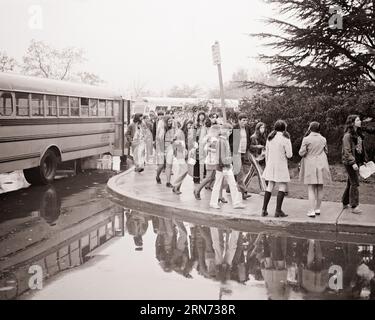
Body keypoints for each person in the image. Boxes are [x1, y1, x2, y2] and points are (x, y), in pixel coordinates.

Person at [299, 122, 332, 218]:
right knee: (320, 187)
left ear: (310, 128)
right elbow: (326, 151)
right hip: (322, 163)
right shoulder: (323, 139)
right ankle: (318, 209)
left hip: (310, 163)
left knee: (311, 188)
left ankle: (311, 210)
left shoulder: (306, 139)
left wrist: (306, 152)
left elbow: (301, 153)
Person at [261, 120, 293, 217]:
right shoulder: (285, 139)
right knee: (282, 186)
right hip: (281, 165)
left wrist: (267, 164)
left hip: (270, 164)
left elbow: (267, 153)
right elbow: (290, 155)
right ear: (284, 128)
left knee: (270, 186)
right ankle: (278, 210)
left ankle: (264, 210)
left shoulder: (270, 138)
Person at [209, 124, 245, 209]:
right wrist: (225, 165)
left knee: (232, 184)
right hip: (222, 167)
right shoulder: (221, 141)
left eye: (231, 131)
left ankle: (236, 203)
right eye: (229, 131)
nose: (230, 132)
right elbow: (221, 156)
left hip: (225, 166)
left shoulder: (224, 140)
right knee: (218, 184)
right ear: (224, 130)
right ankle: (213, 202)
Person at [342, 115, 368, 214]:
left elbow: (361, 149)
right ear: (352, 122)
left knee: (351, 182)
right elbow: (347, 151)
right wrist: (353, 163)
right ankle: (354, 206)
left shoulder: (358, 134)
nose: (360, 121)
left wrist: (364, 160)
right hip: (350, 162)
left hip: (357, 162)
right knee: (355, 183)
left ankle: (345, 202)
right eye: (357, 120)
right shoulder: (347, 135)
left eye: (359, 119)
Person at [230, 113, 252, 200]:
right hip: (236, 152)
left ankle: (228, 188)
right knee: (240, 172)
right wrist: (233, 150)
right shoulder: (235, 128)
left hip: (244, 151)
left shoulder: (247, 128)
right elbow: (231, 140)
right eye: (243, 120)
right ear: (239, 121)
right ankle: (244, 192)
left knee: (236, 171)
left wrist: (247, 149)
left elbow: (248, 139)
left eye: (246, 120)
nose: (245, 122)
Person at [155, 116, 175, 187]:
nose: (170, 122)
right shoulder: (161, 129)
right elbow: (158, 140)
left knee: (169, 165)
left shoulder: (172, 129)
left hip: (169, 147)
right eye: (169, 121)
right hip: (161, 148)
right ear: (165, 122)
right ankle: (157, 176)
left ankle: (168, 182)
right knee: (161, 165)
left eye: (171, 121)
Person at [193, 112, 208, 184]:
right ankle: (196, 178)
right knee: (197, 160)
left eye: (203, 116)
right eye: (200, 116)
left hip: (204, 144)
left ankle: (204, 178)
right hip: (197, 144)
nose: (201, 117)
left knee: (204, 161)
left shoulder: (206, 124)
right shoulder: (196, 125)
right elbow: (193, 134)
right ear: (198, 116)